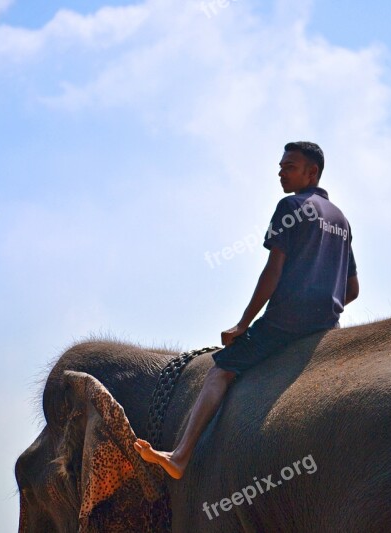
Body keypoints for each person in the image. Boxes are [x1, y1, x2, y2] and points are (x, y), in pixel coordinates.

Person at [134, 141, 359, 479]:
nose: (281, 172)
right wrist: (325, 302)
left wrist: (243, 324)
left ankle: (180, 456)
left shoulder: (290, 206)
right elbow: (353, 290)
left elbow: (273, 270)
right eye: (281, 165)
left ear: (312, 172)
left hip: (286, 323)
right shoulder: (340, 219)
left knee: (220, 370)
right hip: (327, 325)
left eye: (290, 166)